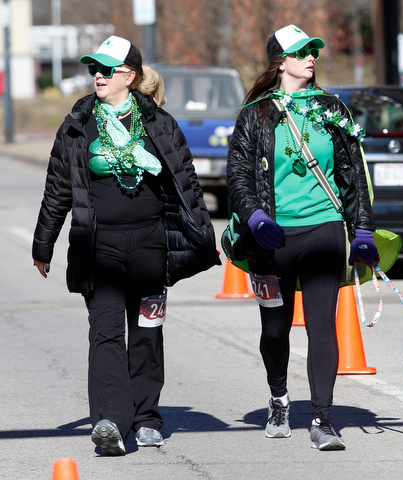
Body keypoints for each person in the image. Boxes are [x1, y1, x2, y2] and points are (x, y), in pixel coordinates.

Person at [32, 35, 220, 455]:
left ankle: (147, 416)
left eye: (106, 69)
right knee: (105, 334)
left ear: (129, 76)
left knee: (146, 332)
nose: (97, 76)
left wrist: (203, 237)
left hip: (151, 245)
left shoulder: (159, 123)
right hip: (99, 247)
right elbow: (58, 188)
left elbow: (186, 184)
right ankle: (110, 422)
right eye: (93, 69)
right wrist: (43, 243)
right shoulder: (78, 124)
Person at [226, 24, 378, 451]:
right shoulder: (255, 114)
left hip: (323, 230)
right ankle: (278, 399)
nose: (311, 57)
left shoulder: (333, 110)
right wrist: (255, 218)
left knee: (322, 327)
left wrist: (361, 227)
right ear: (280, 62)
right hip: (269, 238)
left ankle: (322, 419)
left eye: (314, 50)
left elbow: (354, 176)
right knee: (275, 330)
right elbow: (237, 175)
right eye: (302, 51)